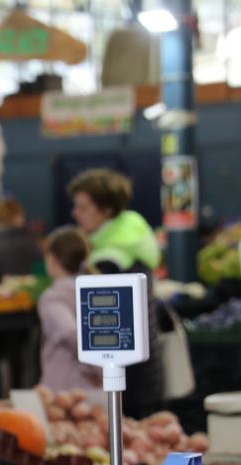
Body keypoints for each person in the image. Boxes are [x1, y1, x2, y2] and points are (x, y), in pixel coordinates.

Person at [67, 168, 163, 418]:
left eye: (83, 207)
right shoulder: (133, 232)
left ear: (107, 210)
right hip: (146, 368)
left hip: (127, 377)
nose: (75, 214)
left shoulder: (110, 258)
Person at [38, 227, 100, 391]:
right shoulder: (94, 288)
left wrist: (95, 367)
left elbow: (70, 333)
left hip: (68, 388)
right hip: (94, 388)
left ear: (52, 259)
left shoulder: (52, 298)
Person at [0, 198, 43, 283]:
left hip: (1, 293)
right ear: (18, 217)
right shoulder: (32, 242)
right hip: (29, 292)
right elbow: (41, 273)